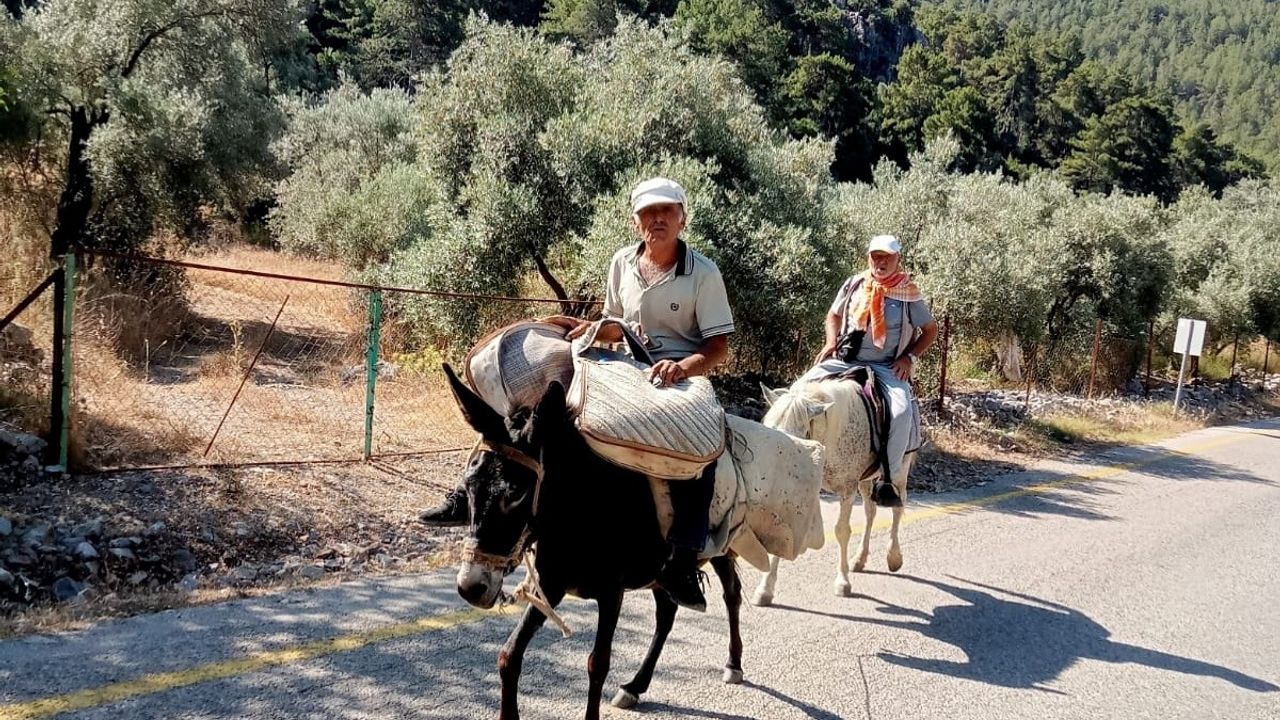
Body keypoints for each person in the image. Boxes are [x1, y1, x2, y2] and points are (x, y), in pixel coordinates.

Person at [422, 177, 733, 613]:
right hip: (627, 366)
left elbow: (717, 346)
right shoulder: (623, 262)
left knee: (698, 449)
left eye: (666, 211)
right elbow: (614, 320)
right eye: (647, 213)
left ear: (682, 217)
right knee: (534, 421)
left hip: (680, 375)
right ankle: (475, 500)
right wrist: (597, 329)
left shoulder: (703, 272)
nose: (656, 219)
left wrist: (682, 367)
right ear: (635, 222)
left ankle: (681, 559)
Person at [797, 234, 938, 489]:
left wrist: (909, 357)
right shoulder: (854, 284)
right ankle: (790, 458)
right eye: (876, 256)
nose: (880, 262)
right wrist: (830, 342)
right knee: (799, 390)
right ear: (868, 258)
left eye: (887, 257)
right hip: (846, 361)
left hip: (886, 366)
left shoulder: (909, 293)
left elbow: (930, 330)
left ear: (898, 259)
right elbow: (833, 315)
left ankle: (888, 478)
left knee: (901, 411)